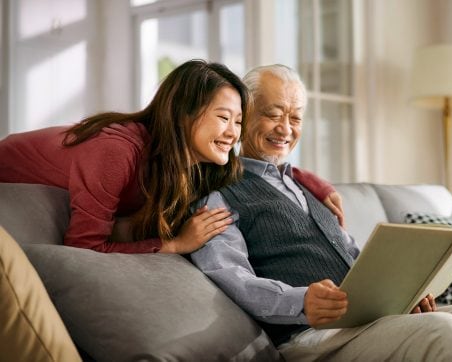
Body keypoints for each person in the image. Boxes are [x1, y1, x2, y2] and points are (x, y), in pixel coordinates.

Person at [190, 64, 452, 361]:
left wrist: (407, 291)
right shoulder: (220, 191)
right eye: (273, 114)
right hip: (311, 335)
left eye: (295, 117)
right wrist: (299, 301)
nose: (286, 129)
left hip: (367, 319)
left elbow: (353, 256)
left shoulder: (305, 186)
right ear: (243, 115)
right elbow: (230, 275)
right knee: (441, 329)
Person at [0, 60, 335, 254]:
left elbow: (254, 166)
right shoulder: (117, 153)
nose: (233, 132)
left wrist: (315, 186)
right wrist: (173, 245)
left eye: (238, 121)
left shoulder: (195, 167)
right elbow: (84, 248)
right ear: (182, 114)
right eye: (223, 117)